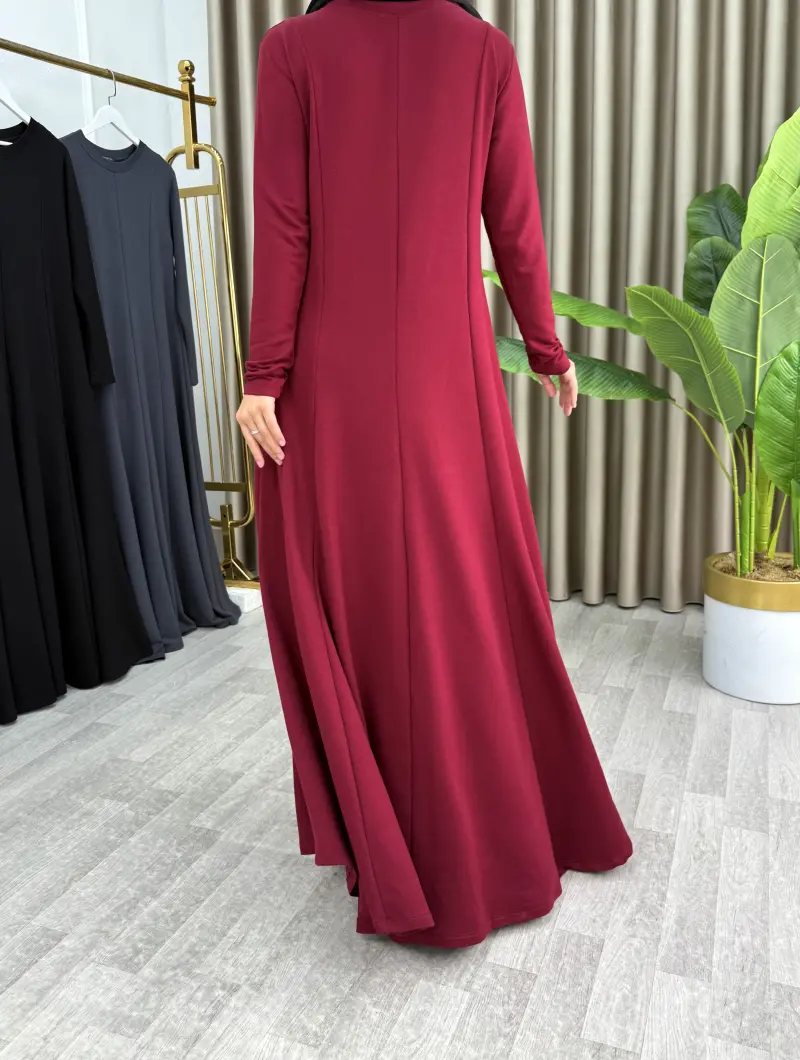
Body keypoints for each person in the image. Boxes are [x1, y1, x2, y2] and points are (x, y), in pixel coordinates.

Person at [236, 0, 632, 949]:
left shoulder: (292, 49)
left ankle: (395, 839)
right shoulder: (484, 50)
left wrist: (263, 376)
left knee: (350, 596)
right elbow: (515, 221)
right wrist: (545, 349)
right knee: (466, 595)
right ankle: (478, 829)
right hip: (447, 375)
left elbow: (284, 225)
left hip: (335, 377)